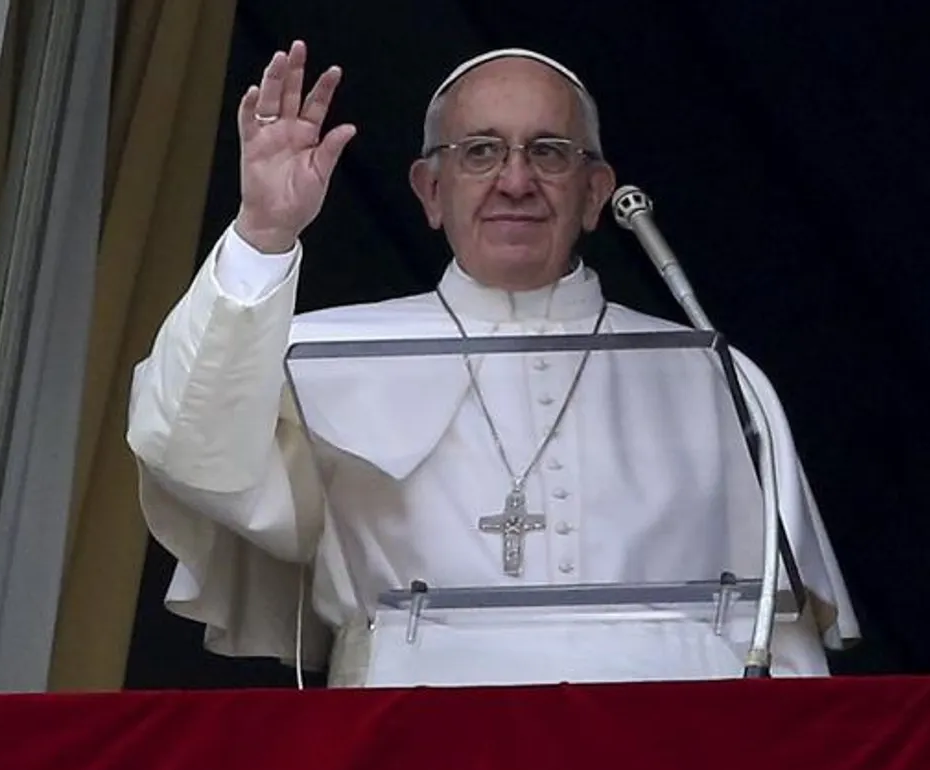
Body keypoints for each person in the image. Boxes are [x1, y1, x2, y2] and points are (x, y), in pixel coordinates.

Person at [127, 42, 858, 685]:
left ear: (596, 193)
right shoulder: (322, 357)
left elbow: (781, 640)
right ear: (430, 192)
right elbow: (190, 452)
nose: (515, 181)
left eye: (548, 151)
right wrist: (264, 233)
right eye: (479, 151)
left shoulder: (709, 376)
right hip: (414, 754)